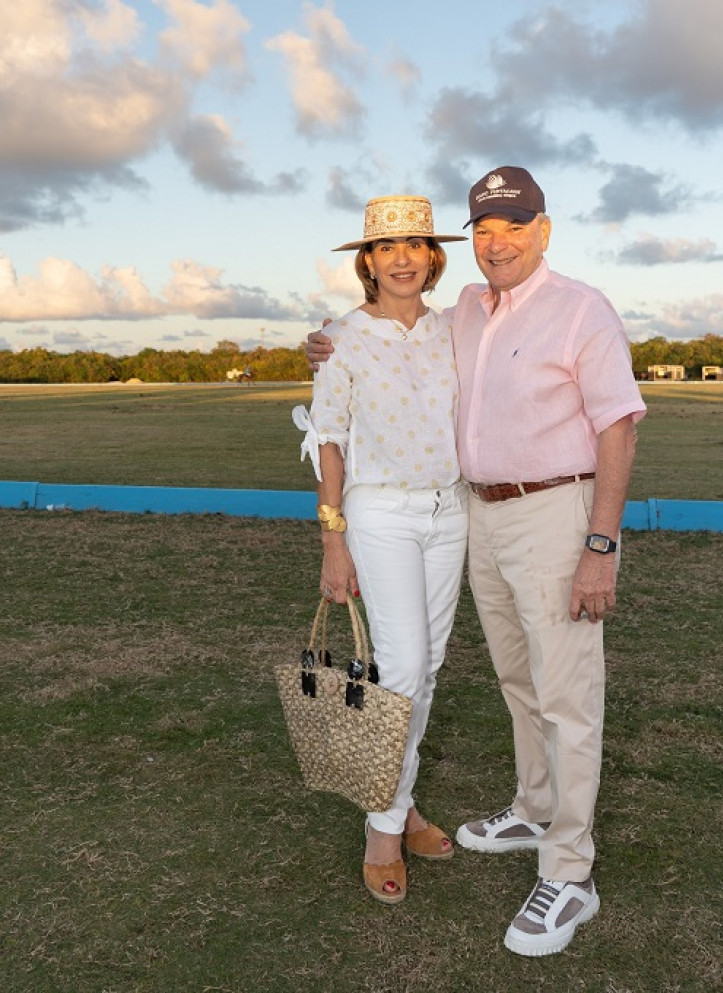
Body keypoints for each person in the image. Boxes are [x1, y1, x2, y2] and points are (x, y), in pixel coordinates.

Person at [306, 166, 646, 955]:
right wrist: (321, 340)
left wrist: (600, 545)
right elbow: (338, 394)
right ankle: (526, 807)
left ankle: (569, 871)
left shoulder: (575, 308)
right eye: (484, 229)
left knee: (560, 691)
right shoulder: (465, 310)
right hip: (467, 513)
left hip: (549, 512)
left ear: (543, 230)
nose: (497, 242)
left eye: (514, 227)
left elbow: (620, 427)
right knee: (507, 677)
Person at [292, 195, 469, 906]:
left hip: (448, 510)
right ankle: (383, 829)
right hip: (380, 512)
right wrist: (333, 539)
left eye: (415, 244)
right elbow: (328, 440)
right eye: (386, 246)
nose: (402, 256)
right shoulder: (341, 338)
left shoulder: (456, 329)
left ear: (433, 258)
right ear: (367, 262)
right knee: (402, 666)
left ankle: (402, 803)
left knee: (426, 668)